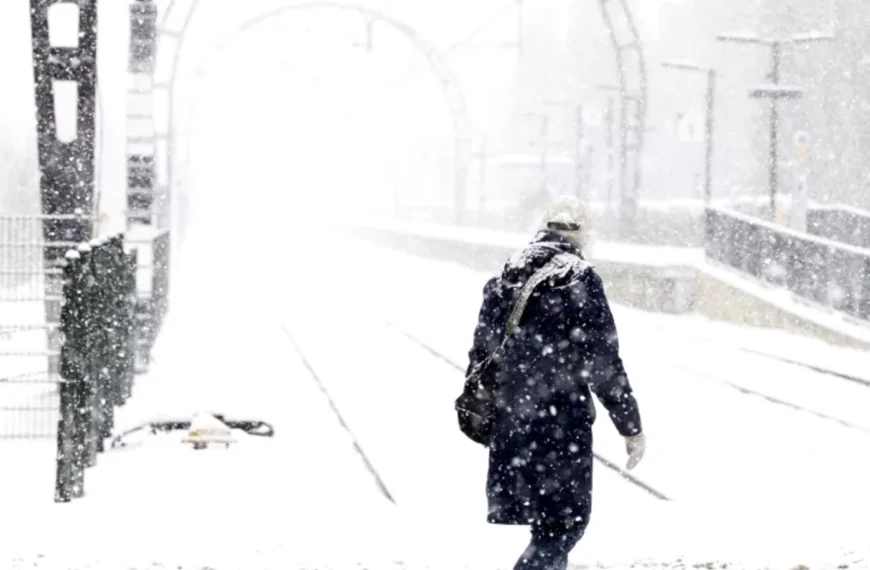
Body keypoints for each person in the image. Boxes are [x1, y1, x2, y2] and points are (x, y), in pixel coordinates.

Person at [464, 195, 645, 570]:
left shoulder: (506, 276)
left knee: (548, 527)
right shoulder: (579, 279)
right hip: (560, 424)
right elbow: (603, 363)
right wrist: (630, 425)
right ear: (584, 234)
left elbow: (480, 354)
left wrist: (486, 415)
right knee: (563, 525)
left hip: (512, 420)